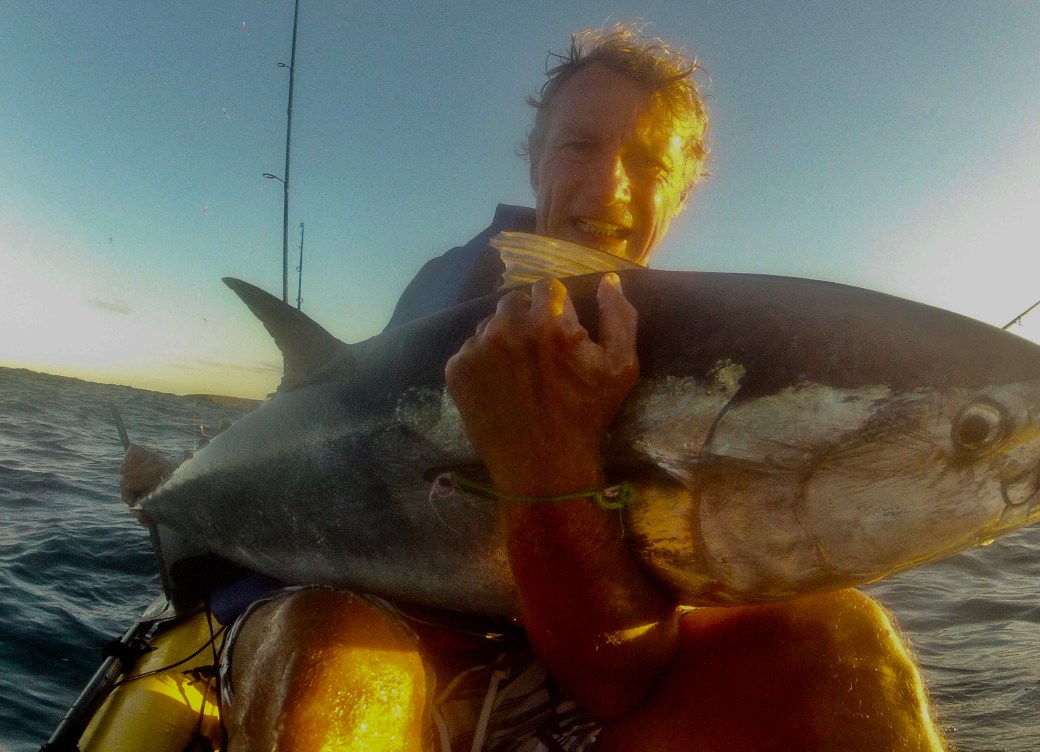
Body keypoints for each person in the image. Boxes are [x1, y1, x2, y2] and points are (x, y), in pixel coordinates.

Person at [122, 24, 946, 751]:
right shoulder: (453, 298)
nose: (608, 186)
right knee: (331, 655)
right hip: (387, 624)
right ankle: (164, 489)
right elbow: (344, 454)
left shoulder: (690, 341)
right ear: (535, 158)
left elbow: (622, 662)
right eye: (580, 146)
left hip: (561, 651)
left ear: (683, 189)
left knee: (846, 644)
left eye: (648, 162)